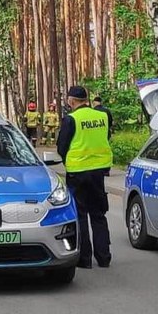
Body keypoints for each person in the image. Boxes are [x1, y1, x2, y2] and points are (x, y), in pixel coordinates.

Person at [57, 86, 113, 269]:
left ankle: (85, 259)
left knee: (80, 214)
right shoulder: (103, 116)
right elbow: (105, 137)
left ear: (72, 101)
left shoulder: (71, 119)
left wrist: (68, 160)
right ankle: (104, 258)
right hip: (98, 172)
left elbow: (62, 146)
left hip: (77, 173)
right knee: (98, 214)